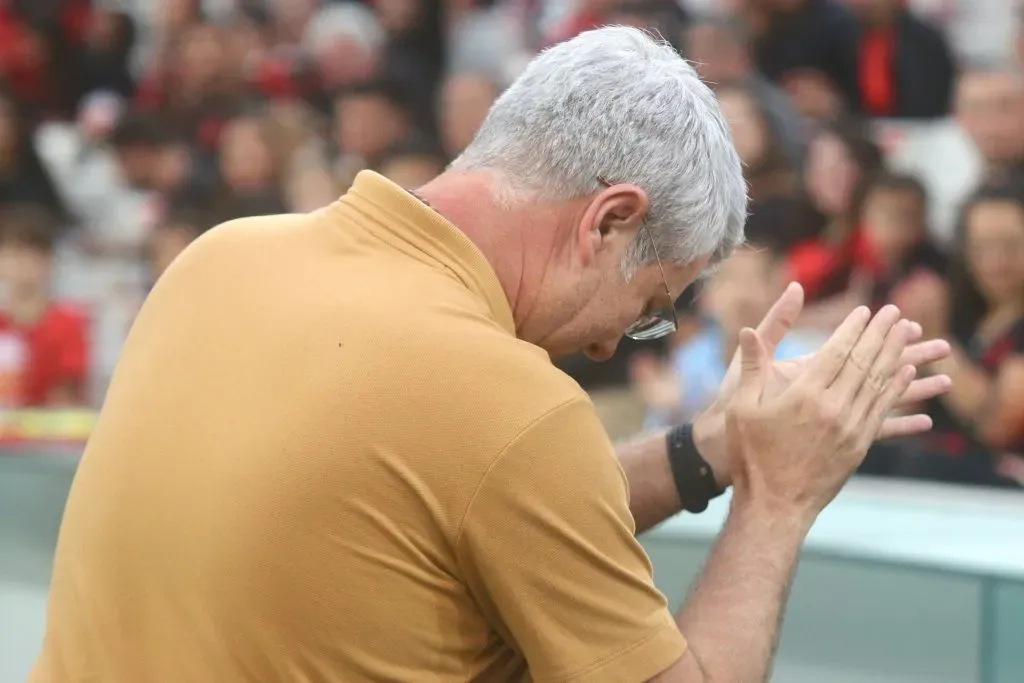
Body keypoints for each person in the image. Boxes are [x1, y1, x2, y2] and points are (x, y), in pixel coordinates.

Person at [33, 27, 951, 683]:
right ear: (610, 219)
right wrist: (779, 495)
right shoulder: (507, 402)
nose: (608, 342)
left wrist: (706, 450)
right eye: (649, 306)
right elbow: (500, 460)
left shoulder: (223, 256)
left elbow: (459, 502)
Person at [893, 183, 1024, 486]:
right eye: (981, 247)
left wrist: (935, 342)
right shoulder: (966, 317)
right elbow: (905, 407)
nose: (996, 262)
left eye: (1011, 245)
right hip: (930, 476)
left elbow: (997, 426)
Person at [0, 205, 89, 407]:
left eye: (33, 255)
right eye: (14, 254)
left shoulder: (67, 324)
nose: (23, 265)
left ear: (48, 261)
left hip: (48, 433)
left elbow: (66, 397)